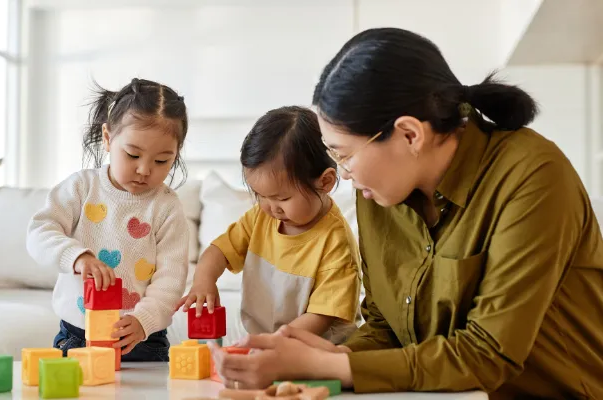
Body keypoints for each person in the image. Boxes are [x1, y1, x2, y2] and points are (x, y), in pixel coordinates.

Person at [210, 28, 603, 399]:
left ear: (410, 134)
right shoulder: (380, 191)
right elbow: (386, 327)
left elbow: (487, 353)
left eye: (344, 155)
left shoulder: (533, 177)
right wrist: (333, 358)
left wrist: (333, 366)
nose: (343, 174)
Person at [27, 77, 190, 362]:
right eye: (133, 154)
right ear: (107, 138)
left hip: (142, 340)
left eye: (162, 161)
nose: (144, 169)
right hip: (78, 335)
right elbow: (40, 233)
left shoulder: (167, 207)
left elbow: (171, 279)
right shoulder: (80, 188)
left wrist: (144, 321)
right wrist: (76, 257)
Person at [176, 106, 361, 343]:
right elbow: (218, 251)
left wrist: (273, 344)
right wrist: (203, 281)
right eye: (260, 195)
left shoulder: (336, 244)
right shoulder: (261, 218)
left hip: (318, 348)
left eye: (282, 198)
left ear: (324, 182)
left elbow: (320, 318)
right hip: (270, 343)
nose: (270, 207)